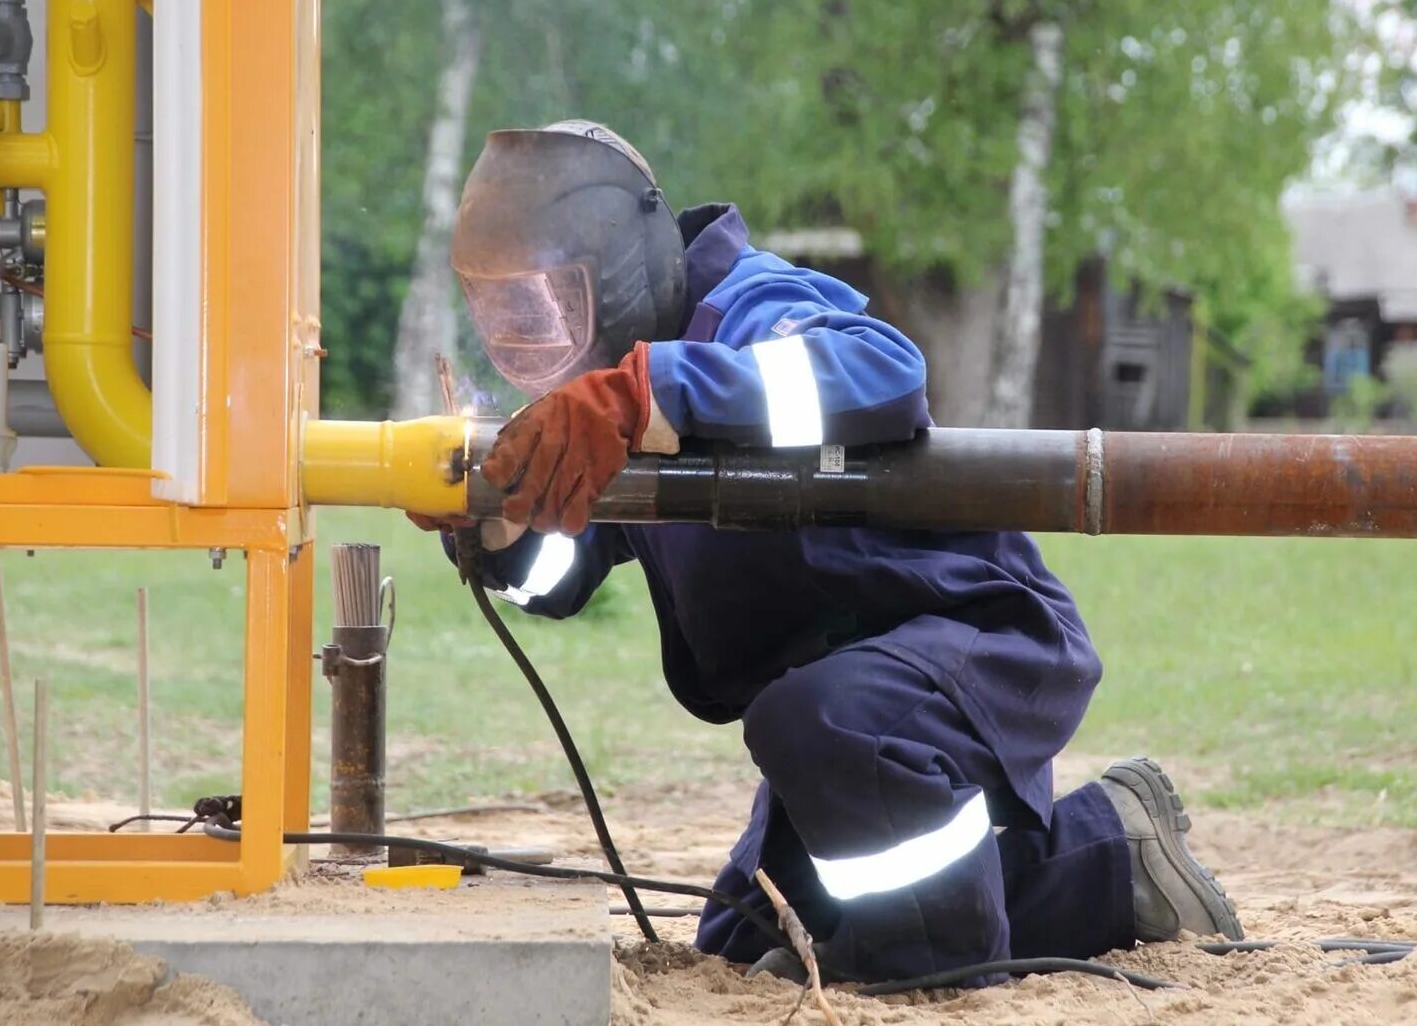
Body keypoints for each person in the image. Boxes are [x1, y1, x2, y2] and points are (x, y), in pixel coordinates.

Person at [410, 119, 1241, 984]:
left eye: (540, 306)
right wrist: (495, 523)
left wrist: (657, 390)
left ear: (614, 268)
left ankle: (986, 929)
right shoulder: (613, 391)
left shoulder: (749, 307)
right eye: (500, 314)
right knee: (739, 943)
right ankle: (1121, 860)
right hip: (845, 699)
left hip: (972, 642)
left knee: (868, 876)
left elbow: (884, 372)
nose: (521, 340)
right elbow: (562, 573)